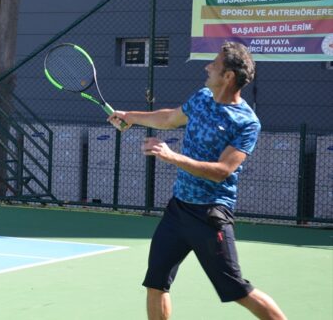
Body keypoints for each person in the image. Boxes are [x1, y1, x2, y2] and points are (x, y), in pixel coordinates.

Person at [107, 42, 287, 320]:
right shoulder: (202, 97)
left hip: (210, 214)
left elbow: (222, 170)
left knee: (236, 289)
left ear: (228, 76)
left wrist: (171, 156)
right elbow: (169, 118)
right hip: (178, 209)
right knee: (156, 283)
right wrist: (129, 117)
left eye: (214, 64)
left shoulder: (246, 122)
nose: (207, 67)